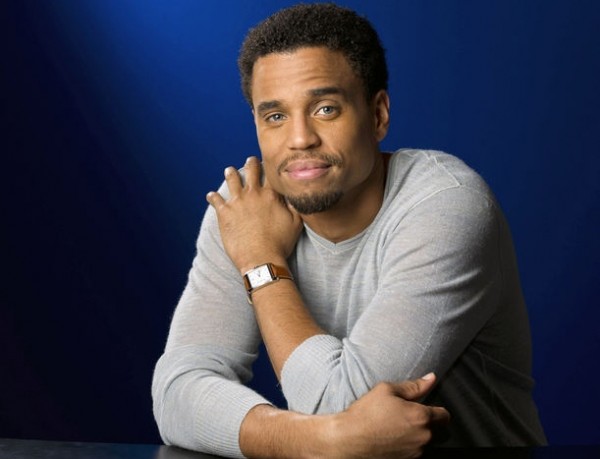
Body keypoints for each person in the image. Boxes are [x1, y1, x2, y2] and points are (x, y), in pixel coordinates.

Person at [152, 3, 546, 457]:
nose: (300, 139)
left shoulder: (446, 204)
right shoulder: (246, 207)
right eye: (275, 116)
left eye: (325, 109)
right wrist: (314, 440)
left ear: (378, 115)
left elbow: (340, 406)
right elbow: (176, 395)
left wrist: (261, 261)